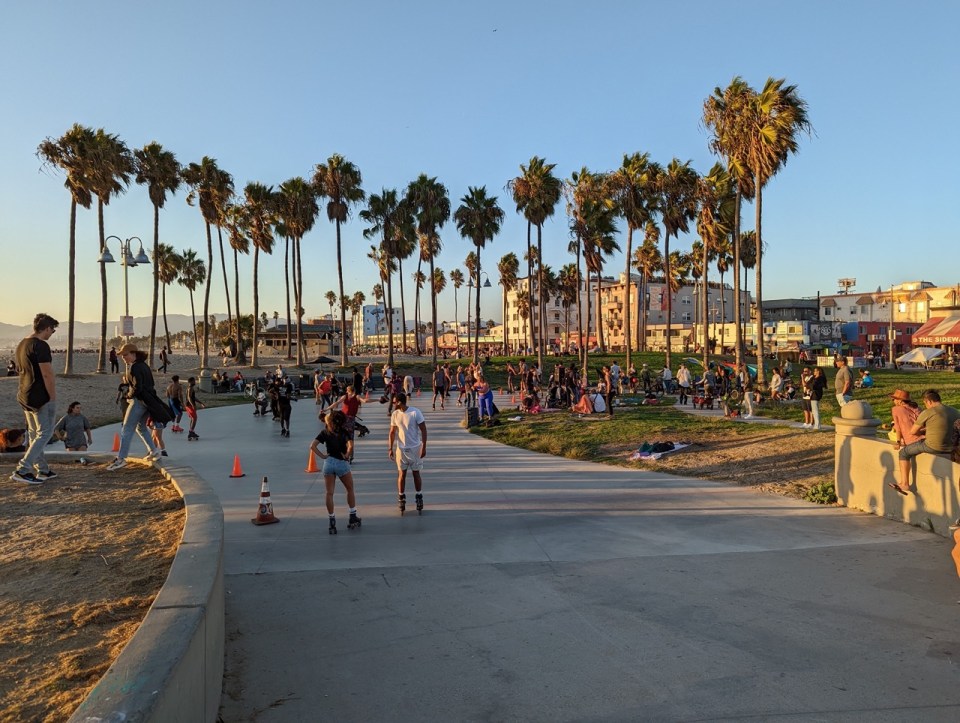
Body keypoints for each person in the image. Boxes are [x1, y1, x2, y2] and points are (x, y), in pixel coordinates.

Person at [11, 313, 58, 484]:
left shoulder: (22, 344)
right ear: (47, 328)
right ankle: (23, 469)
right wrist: (52, 397)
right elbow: (47, 374)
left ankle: (43, 470)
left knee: (34, 434)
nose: (52, 334)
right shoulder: (40, 346)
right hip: (40, 397)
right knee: (45, 433)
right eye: (52, 330)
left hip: (24, 394)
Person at [891, 390, 960, 495]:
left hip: (932, 446)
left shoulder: (928, 412)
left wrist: (924, 430)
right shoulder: (955, 411)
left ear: (929, 401)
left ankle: (904, 483)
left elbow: (913, 432)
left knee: (904, 453)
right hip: (952, 447)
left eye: (925, 403)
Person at [106, 343, 162, 470]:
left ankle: (121, 459)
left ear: (133, 354)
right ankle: (154, 451)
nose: (123, 357)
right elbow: (150, 384)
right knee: (140, 427)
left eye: (125, 355)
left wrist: (129, 395)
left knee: (127, 429)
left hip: (139, 401)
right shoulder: (144, 366)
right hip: (148, 401)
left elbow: (138, 387)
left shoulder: (135, 367)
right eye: (122, 355)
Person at [310, 410, 361, 534]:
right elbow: (350, 445)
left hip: (329, 463)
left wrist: (322, 456)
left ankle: (332, 520)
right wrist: (347, 455)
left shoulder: (325, 432)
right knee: (349, 489)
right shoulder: (344, 432)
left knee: (329, 493)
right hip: (341, 463)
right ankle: (352, 515)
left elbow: (312, 445)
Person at [388, 391, 428, 514]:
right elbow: (392, 432)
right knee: (401, 474)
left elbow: (423, 429)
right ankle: (401, 497)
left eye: (395, 401)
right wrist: (390, 448)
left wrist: (424, 447)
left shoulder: (415, 412)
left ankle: (419, 496)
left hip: (415, 448)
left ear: (400, 402)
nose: (393, 403)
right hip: (401, 449)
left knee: (416, 473)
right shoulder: (395, 414)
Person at [185, 376, 206, 441]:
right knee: (194, 418)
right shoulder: (190, 388)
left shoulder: (190, 388)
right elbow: (189, 397)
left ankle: (191, 431)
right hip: (189, 405)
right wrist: (192, 405)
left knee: (192, 418)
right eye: (194, 381)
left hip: (188, 405)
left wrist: (201, 403)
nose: (195, 382)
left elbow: (193, 397)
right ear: (191, 382)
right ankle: (191, 432)